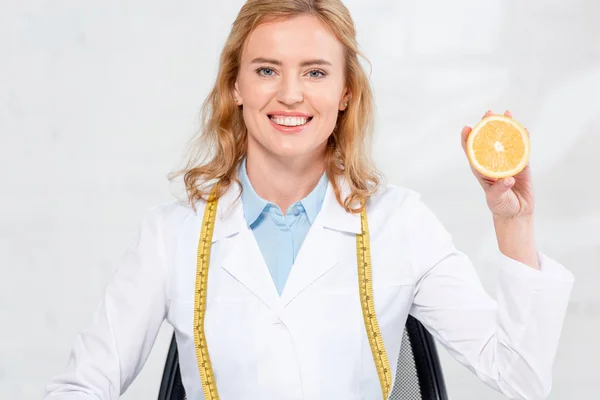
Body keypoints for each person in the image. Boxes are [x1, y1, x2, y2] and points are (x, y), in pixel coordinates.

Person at [43, 0, 574, 399]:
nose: (291, 94)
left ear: (345, 93)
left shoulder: (401, 224)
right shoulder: (170, 235)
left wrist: (513, 223)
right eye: (267, 69)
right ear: (236, 87)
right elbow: (80, 387)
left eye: (315, 72)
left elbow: (520, 377)